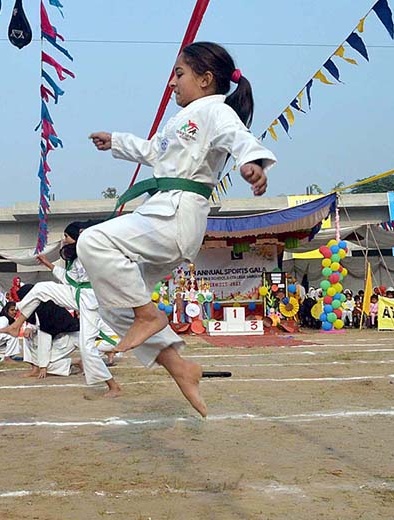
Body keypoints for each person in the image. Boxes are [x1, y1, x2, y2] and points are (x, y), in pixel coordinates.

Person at [82, 42, 276, 417]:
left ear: (205, 80)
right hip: (161, 213)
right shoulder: (184, 118)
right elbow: (156, 152)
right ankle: (180, 367)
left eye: (179, 74)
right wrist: (117, 142)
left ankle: (149, 316)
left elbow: (239, 137)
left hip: (175, 217)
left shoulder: (216, 111)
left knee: (93, 240)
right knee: (115, 303)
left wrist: (252, 163)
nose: (171, 82)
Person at [0, 222, 122, 398]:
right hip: (74, 292)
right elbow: (68, 279)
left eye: (66, 236)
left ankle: (113, 386)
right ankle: (16, 325)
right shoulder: (74, 259)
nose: (63, 240)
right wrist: (48, 264)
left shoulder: (93, 252)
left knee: (87, 349)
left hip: (90, 299)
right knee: (41, 289)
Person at [15, 284, 80, 378]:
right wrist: (29, 328)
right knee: (28, 336)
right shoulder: (39, 307)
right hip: (59, 338)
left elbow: (45, 337)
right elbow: (35, 323)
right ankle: (35, 368)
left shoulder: (47, 309)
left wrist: (43, 366)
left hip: (68, 338)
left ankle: (76, 362)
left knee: (45, 364)